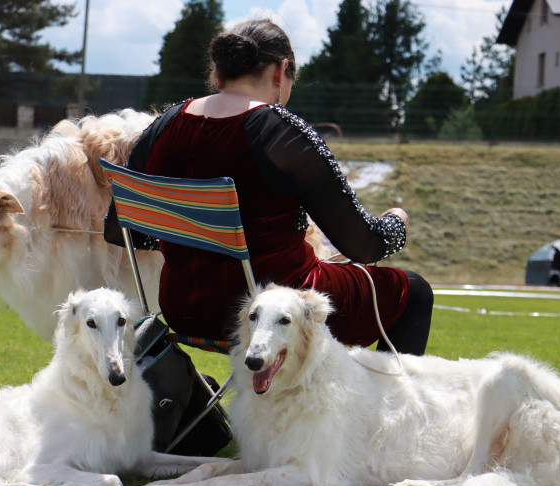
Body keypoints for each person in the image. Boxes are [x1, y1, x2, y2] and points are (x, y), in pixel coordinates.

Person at [106, 19, 433, 354]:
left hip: (182, 309)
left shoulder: (165, 124)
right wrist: (395, 224)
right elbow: (364, 246)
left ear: (219, 75)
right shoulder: (279, 132)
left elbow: (121, 231)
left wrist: (196, 240)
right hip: (272, 311)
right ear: (281, 71)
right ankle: (388, 408)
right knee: (414, 292)